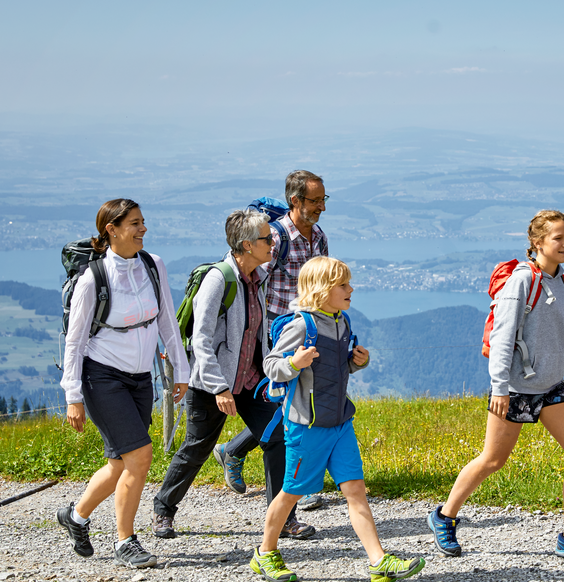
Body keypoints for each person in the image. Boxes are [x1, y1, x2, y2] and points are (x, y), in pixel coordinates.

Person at [428, 210, 564, 559]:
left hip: (551, 385)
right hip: (516, 389)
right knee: (493, 459)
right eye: (558, 238)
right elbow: (502, 337)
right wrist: (499, 388)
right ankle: (444, 516)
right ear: (537, 242)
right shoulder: (522, 282)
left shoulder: (559, 279)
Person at [249, 256, 426, 582]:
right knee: (290, 494)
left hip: (341, 423)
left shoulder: (342, 321)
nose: (351, 289)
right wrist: (295, 362)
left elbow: (337, 369)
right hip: (308, 428)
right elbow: (272, 365)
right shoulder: (302, 325)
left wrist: (357, 362)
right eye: (343, 284)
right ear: (321, 289)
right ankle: (265, 553)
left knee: (356, 492)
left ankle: (378, 562)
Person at [149, 209, 316, 541]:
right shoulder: (219, 279)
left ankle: (282, 519)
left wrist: (270, 372)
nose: (273, 243)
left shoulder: (257, 278)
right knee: (197, 446)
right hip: (213, 384)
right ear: (246, 244)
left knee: (277, 437)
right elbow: (201, 340)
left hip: (250, 381)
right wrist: (219, 387)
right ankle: (163, 510)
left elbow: (257, 332)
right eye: (267, 239)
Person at [56, 198, 190, 569]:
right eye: (134, 223)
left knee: (120, 463)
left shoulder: (153, 265)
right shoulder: (93, 278)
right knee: (140, 456)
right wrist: (73, 395)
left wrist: (181, 370)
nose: (143, 228)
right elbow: (75, 340)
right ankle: (125, 541)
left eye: (143, 221)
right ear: (111, 230)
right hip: (102, 378)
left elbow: (166, 320)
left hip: (140, 377)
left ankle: (76, 517)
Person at [215, 169, 329, 513]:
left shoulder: (318, 236)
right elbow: (251, 279)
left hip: (306, 329)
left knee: (300, 405)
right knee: (288, 408)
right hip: (275, 335)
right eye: (315, 200)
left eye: (324, 199)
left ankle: (233, 450)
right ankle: (300, 485)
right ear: (295, 201)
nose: (322, 207)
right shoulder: (277, 238)